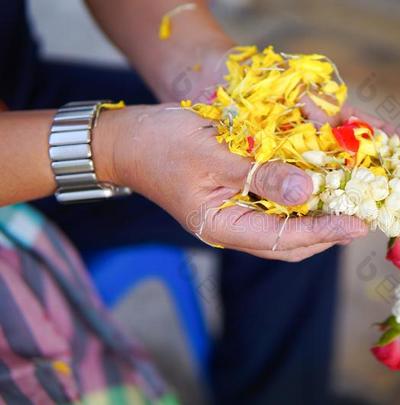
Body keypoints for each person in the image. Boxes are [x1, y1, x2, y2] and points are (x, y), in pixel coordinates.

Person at [0, 0, 374, 404]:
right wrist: (113, 149)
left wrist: (210, 63)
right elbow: (119, 145)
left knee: (302, 191)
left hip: (18, 92)